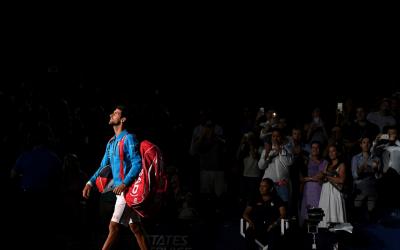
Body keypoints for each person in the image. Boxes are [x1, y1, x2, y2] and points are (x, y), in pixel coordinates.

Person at [82, 105, 149, 250]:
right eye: (112, 112)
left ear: (123, 119)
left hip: (127, 190)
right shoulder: (111, 142)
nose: (112, 115)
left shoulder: (129, 138)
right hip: (120, 191)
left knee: (113, 226)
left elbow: (137, 164)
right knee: (136, 229)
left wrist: (125, 184)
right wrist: (90, 183)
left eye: (116, 113)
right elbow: (102, 167)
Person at [242, 178, 286, 250]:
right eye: (260, 186)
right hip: (256, 226)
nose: (261, 188)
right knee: (249, 233)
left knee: (274, 236)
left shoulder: (277, 199)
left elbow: (283, 214)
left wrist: (274, 224)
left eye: (264, 186)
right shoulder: (255, 199)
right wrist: (249, 221)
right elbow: (245, 213)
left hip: (271, 227)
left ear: (271, 188)